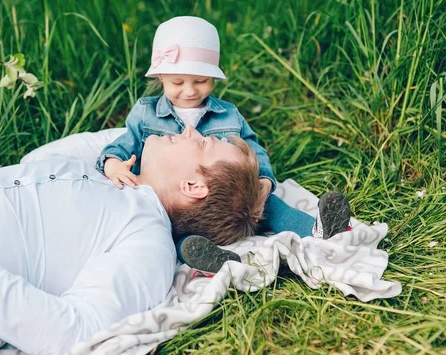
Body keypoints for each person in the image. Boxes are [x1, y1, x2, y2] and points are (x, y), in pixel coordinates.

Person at [0, 126, 260, 355]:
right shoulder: (109, 175)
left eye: (203, 143)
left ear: (193, 185)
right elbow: (124, 132)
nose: (188, 128)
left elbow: (74, 335)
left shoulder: (146, 240)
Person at [96, 16, 351, 274]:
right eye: (177, 83)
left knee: (269, 205)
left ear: (213, 77)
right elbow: (121, 145)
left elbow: (251, 147)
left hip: (228, 198)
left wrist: (263, 179)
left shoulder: (227, 114)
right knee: (172, 231)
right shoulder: (146, 114)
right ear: (161, 76)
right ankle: (209, 256)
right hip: (180, 206)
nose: (190, 91)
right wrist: (114, 165)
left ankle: (319, 230)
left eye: (200, 81)